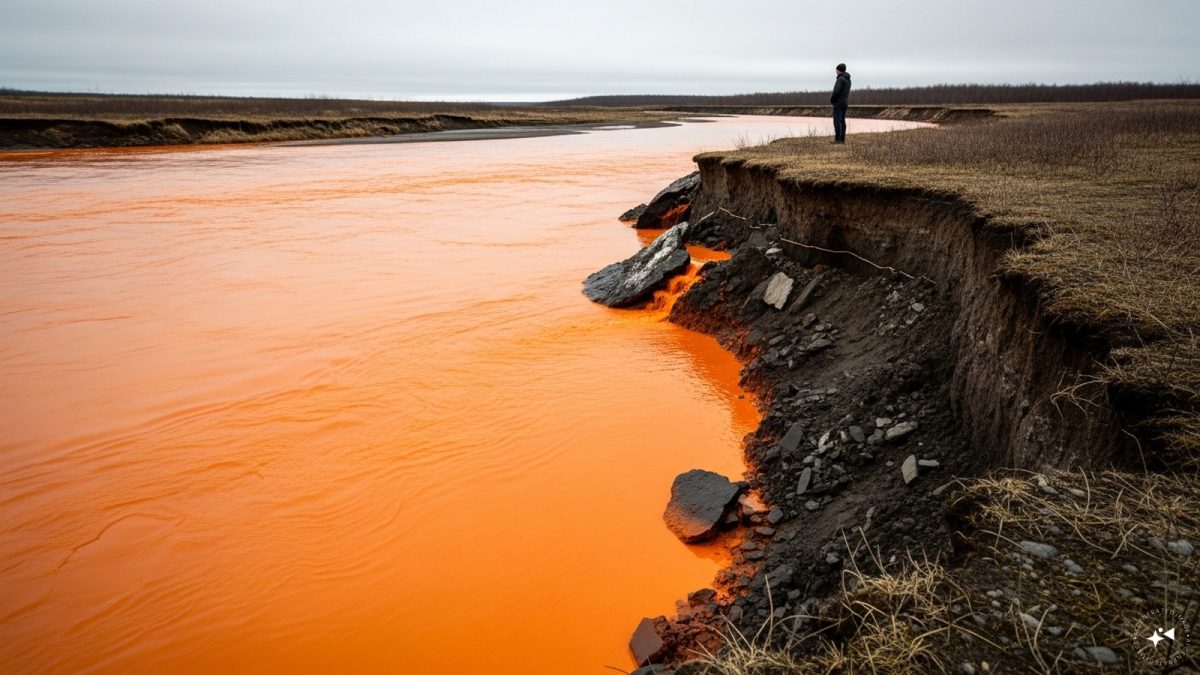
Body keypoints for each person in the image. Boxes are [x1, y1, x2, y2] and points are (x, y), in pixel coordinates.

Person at [830, 63, 851, 143]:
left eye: (837, 70)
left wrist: (832, 100)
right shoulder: (848, 80)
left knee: (837, 121)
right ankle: (842, 139)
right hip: (844, 102)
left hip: (838, 103)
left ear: (839, 70)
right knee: (842, 120)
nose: (836, 71)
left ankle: (837, 139)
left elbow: (836, 91)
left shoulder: (840, 79)